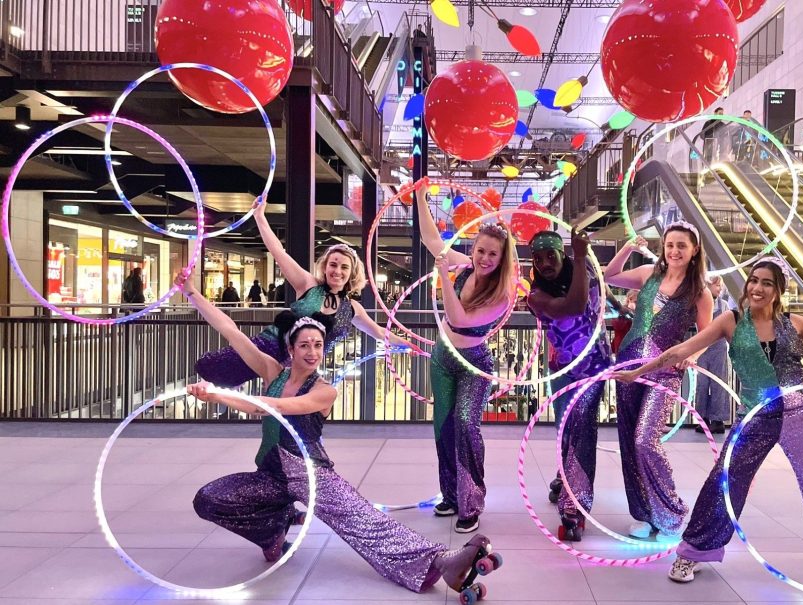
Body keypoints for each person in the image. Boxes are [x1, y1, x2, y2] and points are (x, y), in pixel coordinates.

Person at [174, 271, 502, 598]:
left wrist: (217, 395)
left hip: (311, 475)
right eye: (304, 345)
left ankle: (442, 561)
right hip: (272, 476)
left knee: (364, 522)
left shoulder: (323, 392)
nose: (312, 352)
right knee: (209, 499)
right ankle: (273, 528)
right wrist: (191, 293)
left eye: (317, 345)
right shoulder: (272, 370)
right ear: (290, 348)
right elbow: (230, 330)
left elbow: (271, 407)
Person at [616, 258, 803, 583]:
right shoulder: (730, 321)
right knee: (725, 481)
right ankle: (694, 552)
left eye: (767, 283)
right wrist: (637, 373)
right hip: (756, 414)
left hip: (802, 410)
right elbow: (680, 350)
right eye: (754, 280)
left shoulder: (794, 323)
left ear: (779, 290)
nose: (757, 288)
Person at [195, 201, 417, 388]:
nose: (337, 271)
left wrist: (407, 345)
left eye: (343, 267)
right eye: (333, 264)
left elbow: (379, 333)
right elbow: (278, 252)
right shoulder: (308, 285)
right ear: (325, 266)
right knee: (216, 370)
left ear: (351, 273)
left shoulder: (352, 309)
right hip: (263, 348)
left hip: (295, 371)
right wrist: (260, 217)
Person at [416, 178, 518, 534]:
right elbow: (432, 240)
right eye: (480, 251)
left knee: (465, 425)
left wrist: (443, 276)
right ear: (472, 248)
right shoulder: (464, 266)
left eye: (493, 254)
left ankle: (471, 503)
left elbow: (459, 318)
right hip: (444, 358)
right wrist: (420, 197)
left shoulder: (503, 293)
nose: (485, 259)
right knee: (442, 428)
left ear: (502, 258)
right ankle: (452, 495)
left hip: (473, 365)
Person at [603, 221, 714, 539]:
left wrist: (694, 355)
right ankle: (644, 514)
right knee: (629, 442)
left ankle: (671, 511)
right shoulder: (648, 275)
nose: (675, 251)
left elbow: (707, 334)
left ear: (694, 251)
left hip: (665, 372)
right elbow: (610, 276)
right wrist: (628, 247)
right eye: (670, 245)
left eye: (682, 245)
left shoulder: (699, 292)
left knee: (644, 440)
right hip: (628, 366)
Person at [526, 228, 613, 541]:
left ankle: (574, 508)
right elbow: (574, 306)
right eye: (538, 258)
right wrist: (578, 255)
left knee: (583, 430)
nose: (545, 263)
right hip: (563, 369)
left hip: (595, 365)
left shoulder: (585, 270)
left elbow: (601, 301)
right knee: (567, 430)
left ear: (561, 253)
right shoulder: (536, 296)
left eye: (551, 255)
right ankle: (567, 480)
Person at [694, 275, 735, 435]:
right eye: (717, 286)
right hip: (701, 347)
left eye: (720, 286)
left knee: (719, 383)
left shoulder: (723, 305)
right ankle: (702, 419)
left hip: (718, 347)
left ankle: (718, 420)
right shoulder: (698, 303)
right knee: (701, 384)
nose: (720, 289)